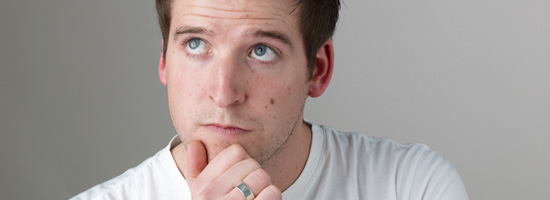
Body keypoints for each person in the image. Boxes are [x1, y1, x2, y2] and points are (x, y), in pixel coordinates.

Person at [72, 0, 469, 199]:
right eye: (196, 44)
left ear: (318, 70)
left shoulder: (411, 186)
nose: (224, 93)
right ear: (163, 60)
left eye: (261, 51)